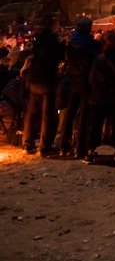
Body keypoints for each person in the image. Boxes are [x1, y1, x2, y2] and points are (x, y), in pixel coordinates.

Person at [85, 30, 115, 163]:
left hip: (100, 96)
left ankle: (90, 152)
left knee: (96, 124)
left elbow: (91, 78)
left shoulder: (100, 58)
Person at [23, 14, 65, 156]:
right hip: (47, 78)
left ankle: (27, 143)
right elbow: (60, 56)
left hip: (34, 77)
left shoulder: (39, 39)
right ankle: (45, 147)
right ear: (52, 25)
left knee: (32, 112)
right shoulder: (54, 40)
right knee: (49, 114)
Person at [60, 17, 102, 158]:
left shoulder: (71, 44)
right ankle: (81, 147)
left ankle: (64, 146)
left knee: (70, 112)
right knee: (84, 115)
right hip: (87, 82)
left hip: (73, 80)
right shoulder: (92, 45)